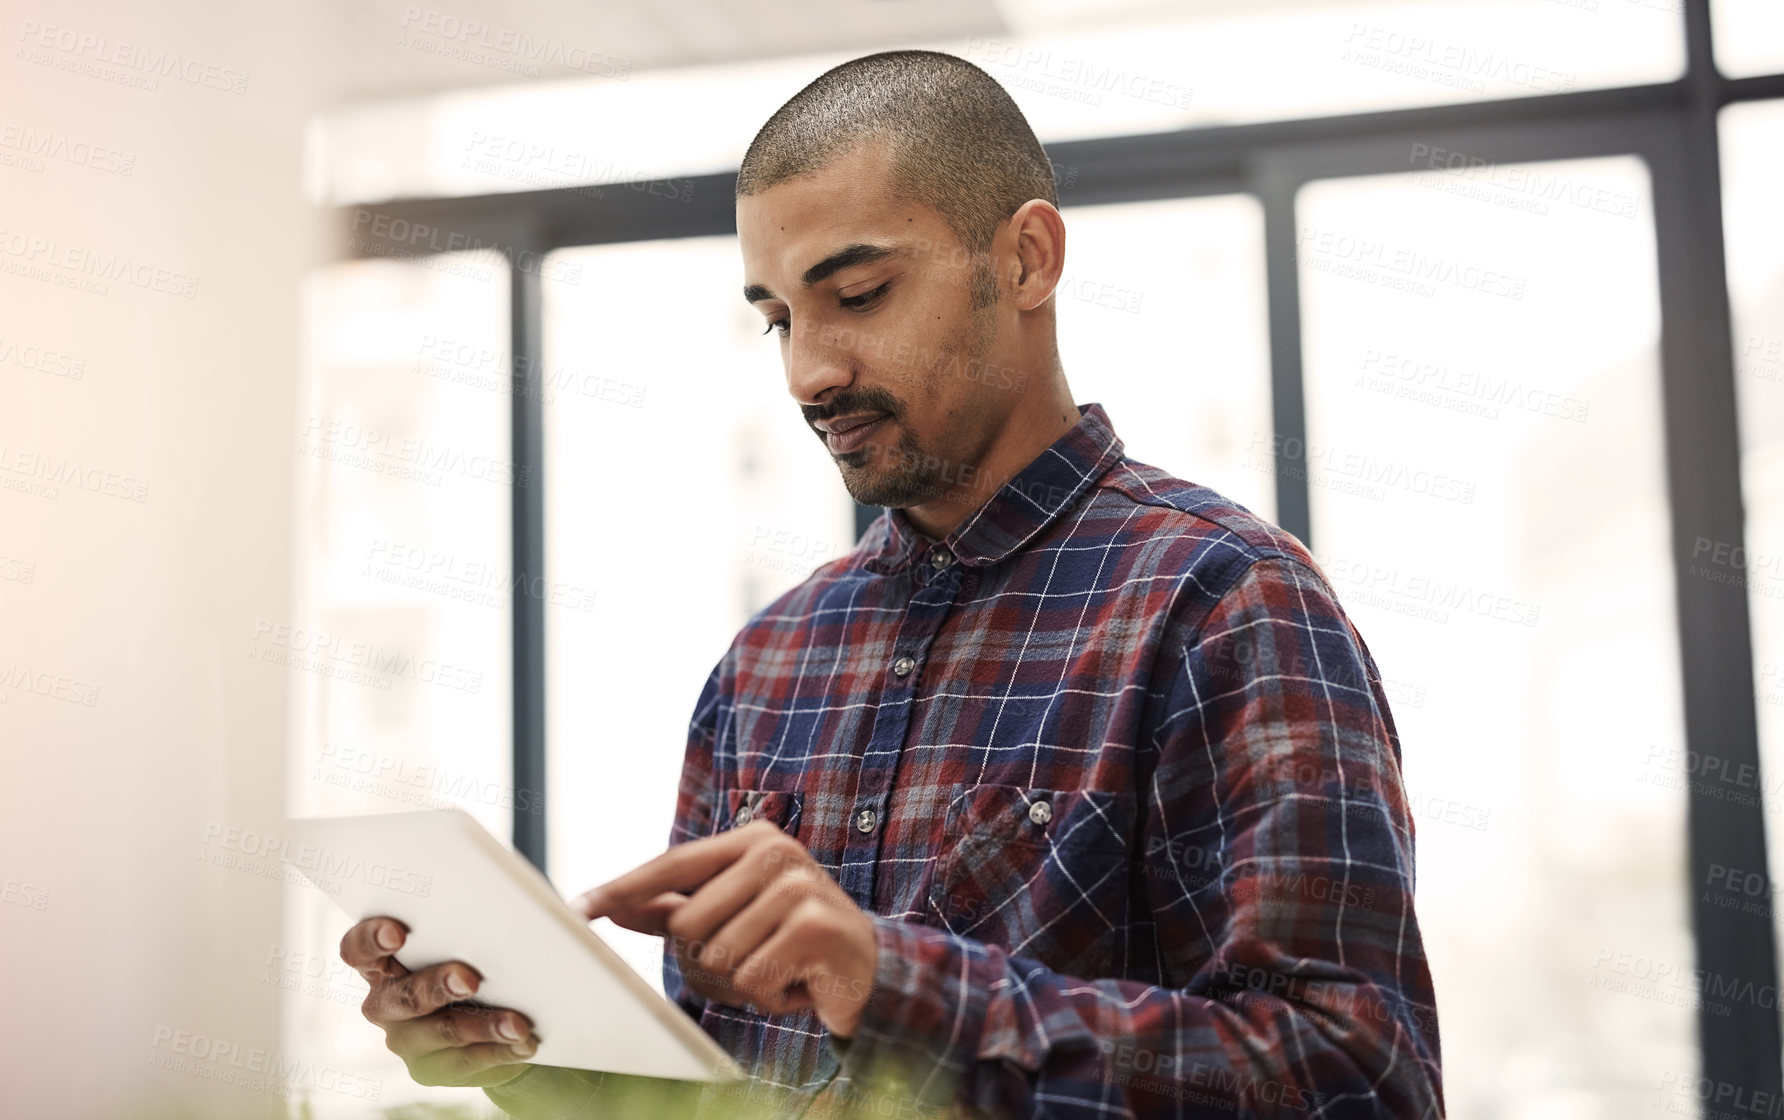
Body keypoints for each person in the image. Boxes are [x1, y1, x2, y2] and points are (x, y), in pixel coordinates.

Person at [340, 49, 1444, 1119]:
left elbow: (1354, 1077)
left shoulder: (1223, 602)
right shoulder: (766, 663)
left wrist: (899, 986)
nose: (808, 372)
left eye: (857, 294)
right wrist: (540, 1065)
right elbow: (728, 1095)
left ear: (1025, 261)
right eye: (775, 318)